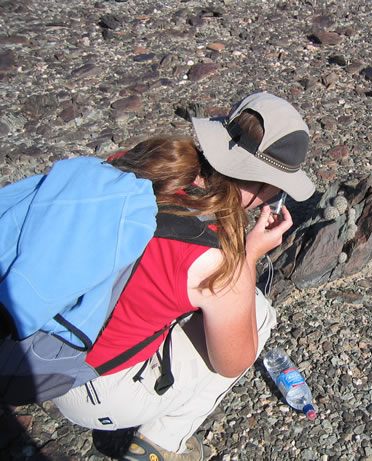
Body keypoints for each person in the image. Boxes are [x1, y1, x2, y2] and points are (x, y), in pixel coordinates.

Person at [52, 92, 315, 461]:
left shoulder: (141, 163)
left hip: (40, 343)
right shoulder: (213, 253)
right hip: (91, 390)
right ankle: (162, 443)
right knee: (258, 314)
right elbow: (233, 361)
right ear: (263, 185)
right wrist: (248, 255)